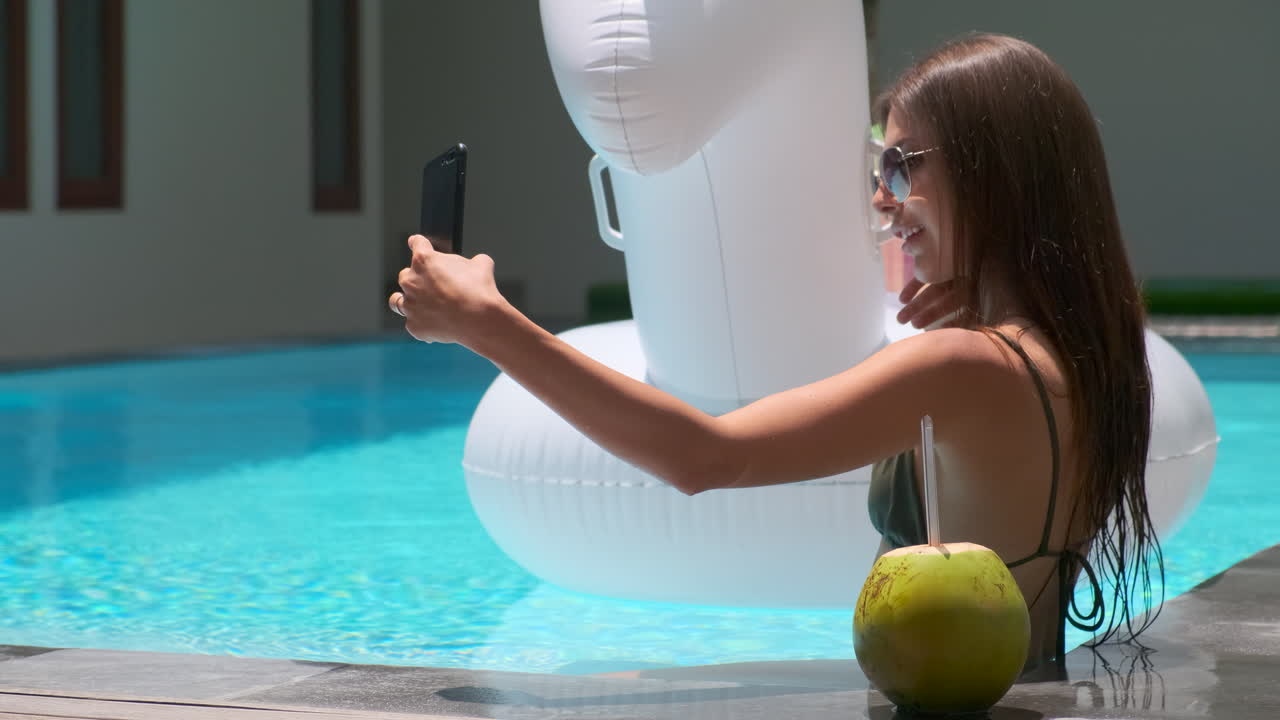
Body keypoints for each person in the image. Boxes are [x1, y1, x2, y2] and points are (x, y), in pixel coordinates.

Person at [388, 33, 1162, 675]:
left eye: (901, 166)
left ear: (991, 172)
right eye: (875, 170)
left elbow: (705, 457)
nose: (881, 199)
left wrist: (487, 325)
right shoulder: (1071, 356)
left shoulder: (964, 368)